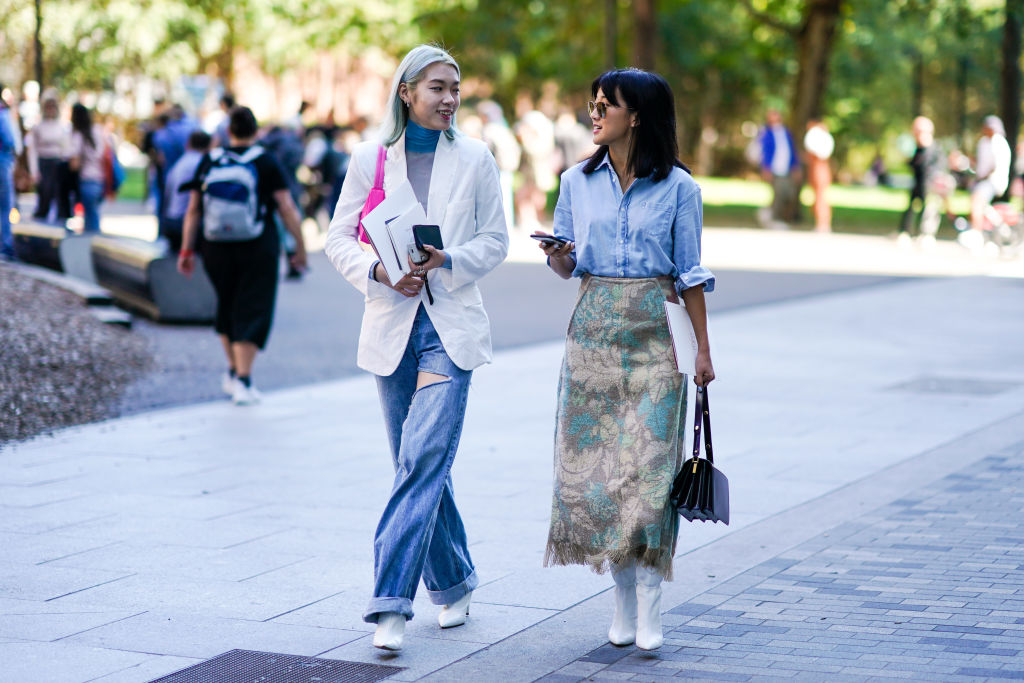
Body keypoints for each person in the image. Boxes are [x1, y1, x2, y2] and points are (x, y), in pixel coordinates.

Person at [324, 44, 508, 652]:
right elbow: (338, 238)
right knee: (418, 465)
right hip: (391, 325)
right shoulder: (368, 159)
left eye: (456, 87)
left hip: (449, 330)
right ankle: (454, 581)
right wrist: (379, 272)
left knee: (423, 459)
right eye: (437, 87)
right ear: (407, 92)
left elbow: (495, 241)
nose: (450, 98)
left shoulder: (478, 158)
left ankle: (389, 603)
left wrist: (448, 259)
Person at [538, 68, 715, 652]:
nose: (593, 114)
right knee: (601, 478)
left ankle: (652, 600)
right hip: (591, 334)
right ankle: (621, 599)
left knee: (649, 476)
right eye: (592, 104)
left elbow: (689, 275)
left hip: (654, 335)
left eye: (604, 105)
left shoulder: (680, 189)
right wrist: (559, 256)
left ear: (634, 116)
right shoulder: (574, 181)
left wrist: (704, 352)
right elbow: (567, 269)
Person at [176, 106, 307, 405]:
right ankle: (244, 380)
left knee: (227, 305)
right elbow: (287, 208)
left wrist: (186, 249)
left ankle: (234, 371)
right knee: (253, 307)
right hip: (258, 245)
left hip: (215, 246)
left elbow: (193, 209)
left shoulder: (210, 160)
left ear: (229, 131)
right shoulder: (266, 161)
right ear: (255, 130)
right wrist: (298, 248)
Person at [161, 129, 212, 252]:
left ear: (188, 143)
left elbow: (167, 191)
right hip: (185, 223)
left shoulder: (180, 162)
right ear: (208, 146)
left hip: (171, 219)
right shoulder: (202, 163)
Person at [899, 116, 943, 247]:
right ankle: (906, 232)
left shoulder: (934, 148)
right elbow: (913, 165)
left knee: (929, 209)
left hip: (930, 184)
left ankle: (926, 234)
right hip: (918, 183)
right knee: (911, 208)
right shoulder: (917, 148)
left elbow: (937, 167)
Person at [26, 96, 70, 224]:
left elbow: (65, 147)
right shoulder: (38, 127)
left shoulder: (61, 127)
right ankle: (42, 220)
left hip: (57, 163)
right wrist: (34, 171)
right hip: (43, 163)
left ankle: (60, 221)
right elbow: (32, 149)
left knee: (59, 194)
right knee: (45, 193)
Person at [68, 103, 111, 234]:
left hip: (87, 179)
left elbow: (74, 164)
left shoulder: (78, 136)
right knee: (93, 215)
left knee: (91, 220)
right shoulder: (97, 131)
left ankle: (92, 247)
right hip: (100, 178)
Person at [968, 115, 1011, 235]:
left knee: (977, 202)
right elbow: (981, 162)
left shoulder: (998, 142)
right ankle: (1000, 228)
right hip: (983, 179)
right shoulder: (984, 142)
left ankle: (976, 232)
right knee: (981, 205)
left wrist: (982, 177)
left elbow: (995, 167)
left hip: (993, 181)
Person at [757, 108, 800, 228]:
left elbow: (792, 151)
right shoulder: (766, 133)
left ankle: (768, 214)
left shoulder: (786, 132)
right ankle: (773, 218)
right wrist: (766, 168)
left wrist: (795, 167)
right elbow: (765, 152)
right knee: (778, 193)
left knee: (787, 193)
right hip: (774, 169)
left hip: (786, 169)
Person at [803, 118, 834, 233]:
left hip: (818, 168)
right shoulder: (824, 135)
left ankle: (822, 223)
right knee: (820, 196)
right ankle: (822, 223)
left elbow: (816, 155)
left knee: (820, 196)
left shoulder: (816, 135)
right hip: (821, 168)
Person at [0, 85, 17, 260]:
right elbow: (9, 140)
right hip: (2, 163)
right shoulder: (2, 115)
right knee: (5, 206)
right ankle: (6, 245)